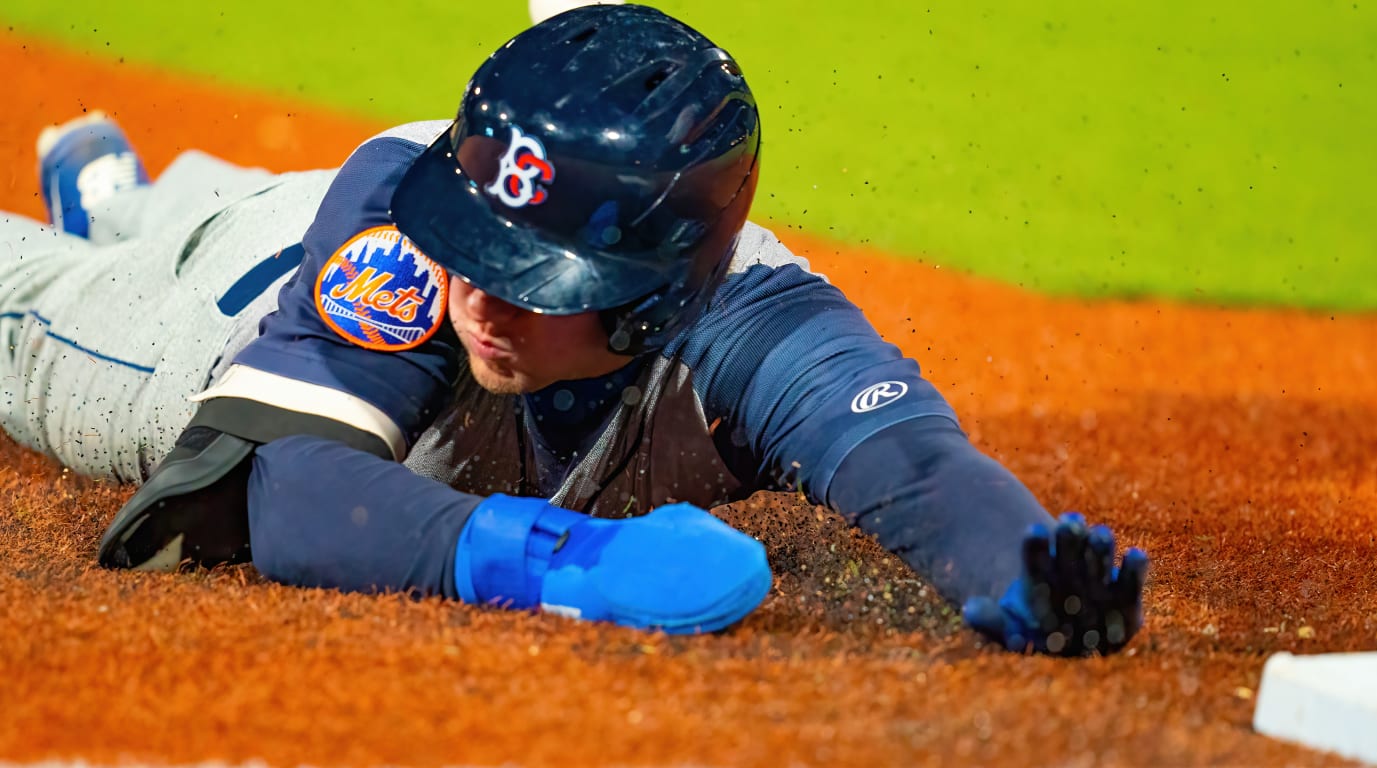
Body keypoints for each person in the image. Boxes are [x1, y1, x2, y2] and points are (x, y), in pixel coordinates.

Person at [1, 4, 1147, 653]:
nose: (479, 294)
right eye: (476, 244)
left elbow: (915, 464)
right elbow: (291, 490)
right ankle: (128, 214)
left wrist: (1018, 571)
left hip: (304, 221)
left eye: (532, 273)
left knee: (224, 203)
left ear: (664, 284)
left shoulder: (748, 317)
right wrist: (574, 563)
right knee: (42, 309)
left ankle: (128, 195)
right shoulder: (415, 238)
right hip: (208, 318)